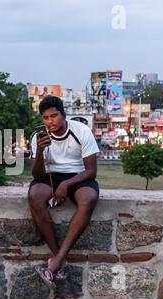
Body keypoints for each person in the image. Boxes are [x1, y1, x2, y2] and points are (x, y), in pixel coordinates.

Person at [28, 96, 100, 286]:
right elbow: (37, 175)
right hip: (51, 176)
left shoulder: (81, 131)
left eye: (54, 116)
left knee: (89, 198)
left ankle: (56, 262)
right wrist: (40, 154)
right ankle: (58, 260)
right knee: (35, 196)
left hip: (79, 175)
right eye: (45, 118)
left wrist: (66, 185)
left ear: (64, 115)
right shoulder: (38, 137)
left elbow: (91, 171)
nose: (50, 121)